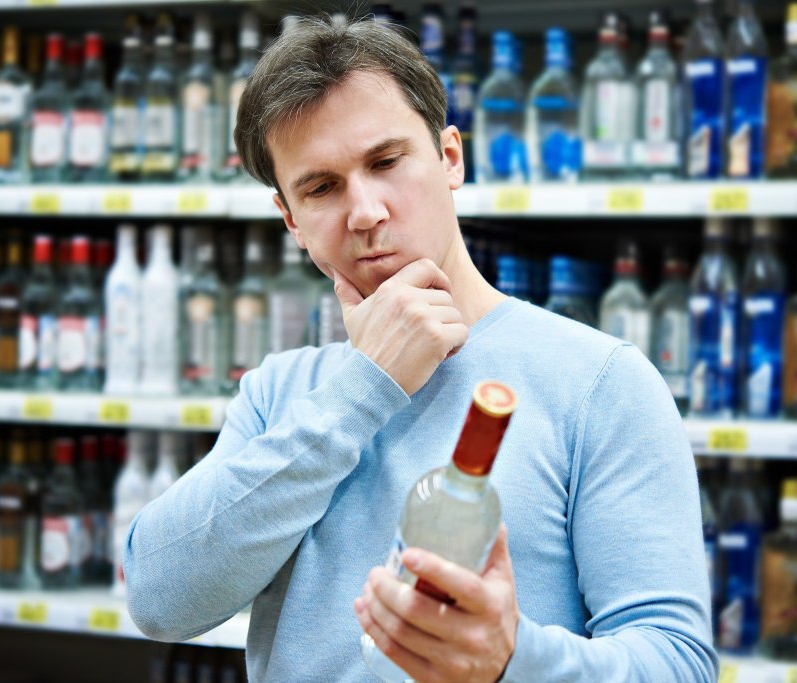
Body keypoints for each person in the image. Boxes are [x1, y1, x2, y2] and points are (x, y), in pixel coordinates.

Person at [124, 17, 717, 683]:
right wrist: (366, 384)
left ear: (450, 157)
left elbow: (678, 664)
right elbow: (157, 598)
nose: (366, 211)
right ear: (290, 219)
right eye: (321, 187)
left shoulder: (600, 382)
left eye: (385, 162)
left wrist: (510, 661)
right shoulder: (279, 395)